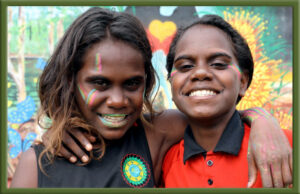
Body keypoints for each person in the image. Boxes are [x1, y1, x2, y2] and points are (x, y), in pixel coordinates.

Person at [11, 7, 292, 188]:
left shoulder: (157, 133)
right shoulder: (35, 164)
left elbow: (216, 116)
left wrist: (262, 119)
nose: (118, 100)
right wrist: (57, 131)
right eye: (100, 82)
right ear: (71, 81)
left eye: (132, 84)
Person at [161, 14, 293, 188]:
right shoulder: (166, 162)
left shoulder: (283, 147)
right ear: (171, 83)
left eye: (218, 64)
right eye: (185, 66)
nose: (200, 73)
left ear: (243, 82)